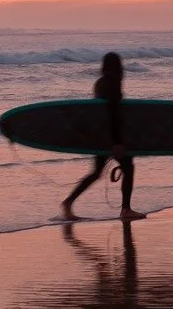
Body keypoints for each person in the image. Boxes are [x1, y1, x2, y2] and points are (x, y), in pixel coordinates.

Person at [61, 51, 142, 221]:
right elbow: (113, 114)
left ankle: (68, 202)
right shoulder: (113, 85)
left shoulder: (100, 83)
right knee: (128, 167)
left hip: (99, 135)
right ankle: (126, 209)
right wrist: (117, 142)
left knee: (97, 172)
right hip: (110, 137)